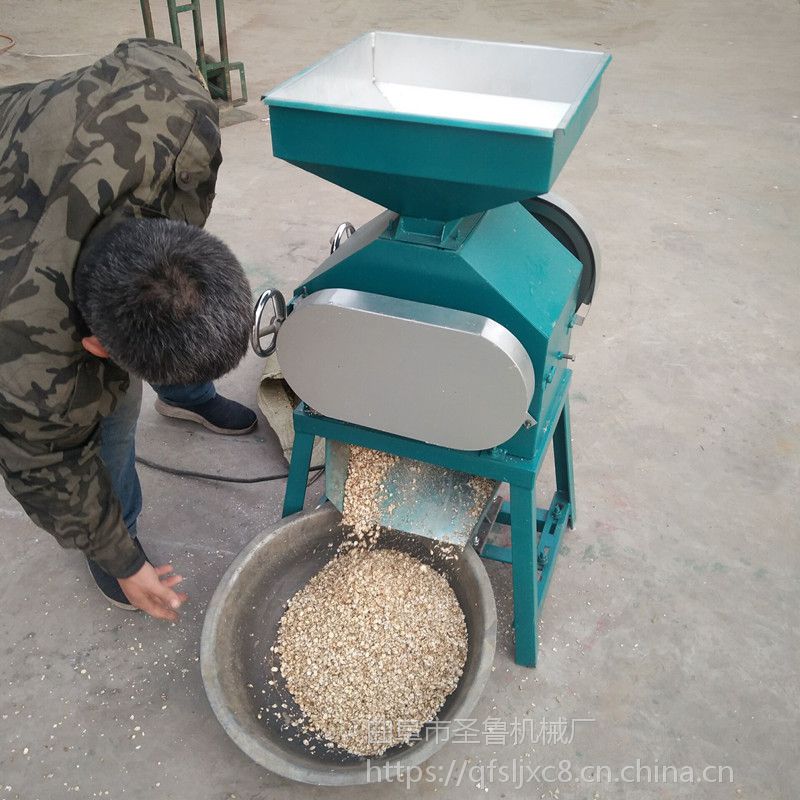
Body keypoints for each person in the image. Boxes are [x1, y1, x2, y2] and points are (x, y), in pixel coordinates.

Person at [0, 39, 257, 620]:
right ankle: (126, 528)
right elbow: (42, 467)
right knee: (111, 424)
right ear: (94, 345)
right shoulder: (30, 363)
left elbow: (154, 50)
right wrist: (119, 556)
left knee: (173, 314)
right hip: (17, 210)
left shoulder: (180, 120)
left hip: (43, 138)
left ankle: (187, 396)